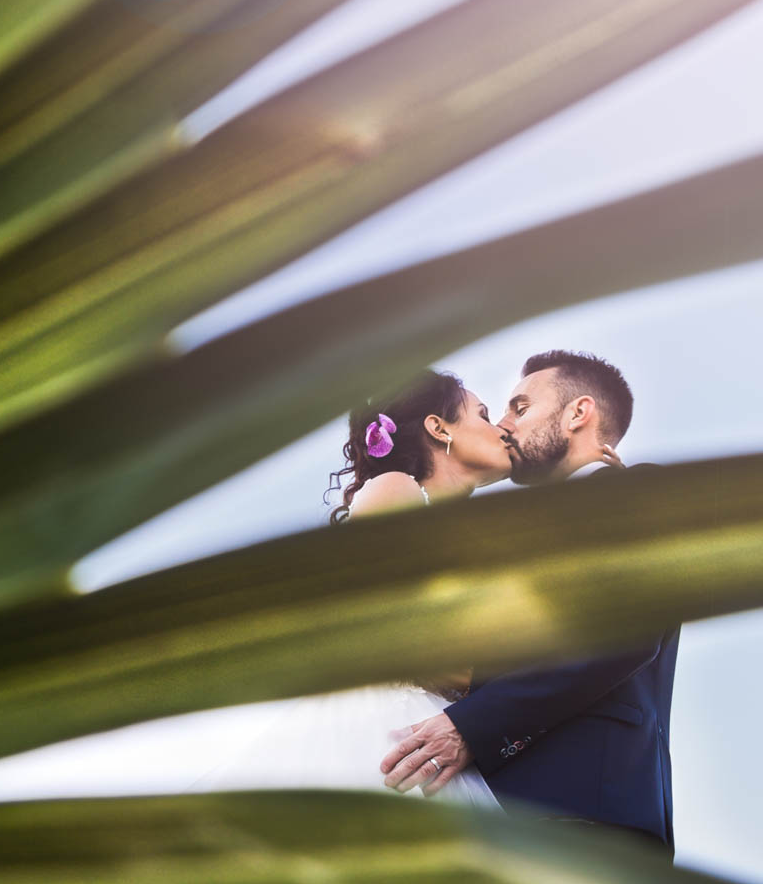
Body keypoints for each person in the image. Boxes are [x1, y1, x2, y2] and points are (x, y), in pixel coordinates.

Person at [378, 351, 678, 858]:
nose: (504, 425)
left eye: (519, 407)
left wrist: (469, 726)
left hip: (585, 811)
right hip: (487, 813)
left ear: (578, 413)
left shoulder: (638, 493)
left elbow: (625, 631)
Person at [192, 369, 513, 806]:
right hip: (384, 724)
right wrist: (495, 679)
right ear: (439, 428)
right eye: (484, 413)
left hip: (436, 724)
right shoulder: (394, 489)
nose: (501, 429)